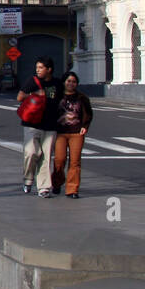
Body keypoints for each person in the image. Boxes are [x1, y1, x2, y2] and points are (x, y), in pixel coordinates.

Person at [17, 56, 60, 196]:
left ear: (49, 69)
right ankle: (28, 179)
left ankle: (44, 187)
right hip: (32, 124)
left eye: (41, 68)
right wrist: (35, 93)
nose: (38, 70)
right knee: (31, 152)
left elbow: (62, 101)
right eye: (37, 68)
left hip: (50, 124)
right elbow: (19, 97)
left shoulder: (57, 84)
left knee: (46, 157)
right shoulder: (33, 81)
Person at [52, 71, 93, 199]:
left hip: (76, 133)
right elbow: (50, 111)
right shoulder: (57, 96)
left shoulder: (82, 98)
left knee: (75, 161)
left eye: (74, 82)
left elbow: (89, 113)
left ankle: (72, 189)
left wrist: (84, 127)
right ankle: (57, 183)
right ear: (64, 82)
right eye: (68, 81)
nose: (71, 84)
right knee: (60, 159)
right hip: (60, 133)